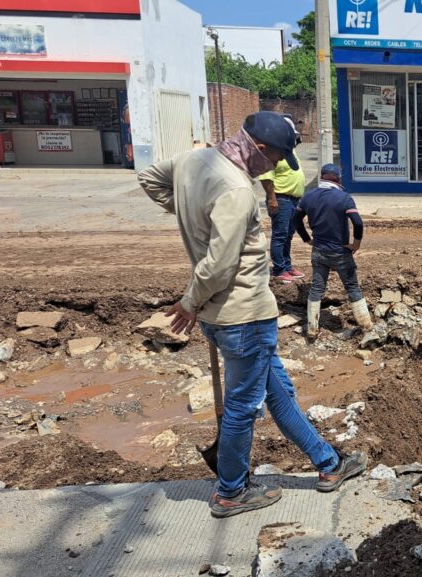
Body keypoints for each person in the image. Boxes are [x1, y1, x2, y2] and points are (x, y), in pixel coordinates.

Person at [138, 112, 366, 519]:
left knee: (280, 393)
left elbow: (150, 178)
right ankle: (230, 493)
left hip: (225, 316)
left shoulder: (195, 162)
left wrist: (192, 212)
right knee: (243, 407)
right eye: (277, 158)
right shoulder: (236, 190)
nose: (278, 167)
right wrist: (189, 301)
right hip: (243, 315)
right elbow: (220, 266)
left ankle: (329, 464)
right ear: (259, 149)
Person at [294, 164, 374, 338]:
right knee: (352, 286)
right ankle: (366, 326)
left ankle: (312, 329)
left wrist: (307, 239)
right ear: (338, 179)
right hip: (340, 252)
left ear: (322, 177)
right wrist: (356, 244)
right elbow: (358, 223)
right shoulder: (343, 198)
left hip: (319, 251)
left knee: (316, 288)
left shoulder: (308, 197)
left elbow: (296, 220)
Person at [259, 158, 306, 284]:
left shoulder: (291, 153)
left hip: (294, 200)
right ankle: (279, 270)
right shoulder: (273, 154)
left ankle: (287, 266)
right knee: (280, 235)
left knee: (288, 235)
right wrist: (272, 199)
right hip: (281, 199)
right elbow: (266, 178)